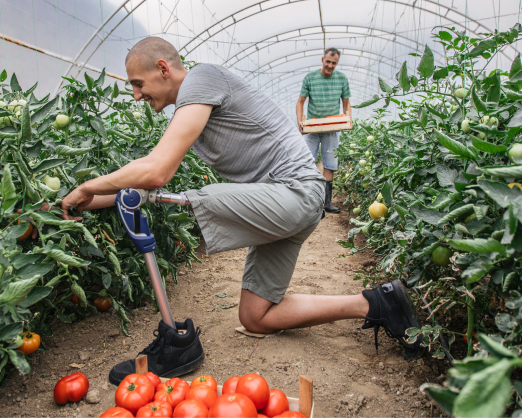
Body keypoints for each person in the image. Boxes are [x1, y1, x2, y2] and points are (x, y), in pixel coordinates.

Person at [60, 37, 423, 385]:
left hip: (294, 192)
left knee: (190, 197)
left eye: (138, 84)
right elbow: (146, 181)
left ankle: (175, 342)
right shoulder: (190, 109)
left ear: (163, 68)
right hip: (282, 201)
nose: (136, 94)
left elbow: (157, 172)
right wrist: (92, 200)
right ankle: (378, 302)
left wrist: (89, 185)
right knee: (256, 317)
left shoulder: (202, 79)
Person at [296, 48, 352, 214]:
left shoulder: (341, 79)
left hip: (331, 128)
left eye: (334, 63)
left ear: (337, 63)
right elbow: (300, 102)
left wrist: (349, 118)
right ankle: (307, 201)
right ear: (322, 60)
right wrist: (300, 121)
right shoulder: (310, 78)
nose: (330, 65)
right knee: (306, 162)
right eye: (328, 61)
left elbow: (346, 102)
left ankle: (327, 202)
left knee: (330, 164)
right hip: (312, 128)